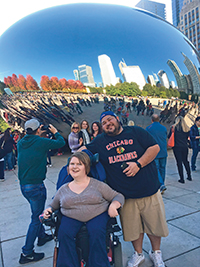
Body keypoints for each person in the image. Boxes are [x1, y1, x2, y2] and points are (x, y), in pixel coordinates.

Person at [79, 111, 169, 267]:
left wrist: (138, 164)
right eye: (104, 123)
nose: (107, 124)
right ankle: (138, 254)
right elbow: (83, 150)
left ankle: (156, 253)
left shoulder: (135, 132)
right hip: (124, 195)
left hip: (149, 190)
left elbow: (154, 148)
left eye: (109, 120)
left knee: (154, 226)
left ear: (117, 119)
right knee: (133, 228)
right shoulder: (100, 140)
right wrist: (74, 162)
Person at [43, 151, 124, 267]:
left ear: (86, 167)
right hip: (71, 216)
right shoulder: (63, 189)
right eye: (72, 164)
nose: (75, 167)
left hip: (97, 214)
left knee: (97, 232)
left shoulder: (97, 185)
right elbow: (53, 205)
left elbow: (118, 196)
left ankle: (98, 264)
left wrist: (113, 205)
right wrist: (48, 210)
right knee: (64, 234)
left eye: (79, 164)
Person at [18, 119, 65, 264]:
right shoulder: (41, 142)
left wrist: (40, 133)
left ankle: (42, 236)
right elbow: (61, 143)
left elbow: (33, 145)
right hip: (36, 185)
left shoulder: (20, 143)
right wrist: (54, 132)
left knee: (35, 213)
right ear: (38, 129)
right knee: (36, 219)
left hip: (24, 185)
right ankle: (27, 253)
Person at [146, 114, 168, 194]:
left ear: (152, 120)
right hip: (163, 151)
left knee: (156, 169)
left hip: (154, 152)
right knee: (163, 168)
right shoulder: (164, 128)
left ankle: (161, 184)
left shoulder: (148, 128)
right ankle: (162, 184)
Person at [168, 116, 192, 183]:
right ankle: (189, 176)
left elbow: (169, 136)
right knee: (185, 161)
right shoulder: (186, 128)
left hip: (176, 147)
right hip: (184, 147)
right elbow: (187, 137)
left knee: (179, 162)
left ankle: (182, 178)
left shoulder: (173, 128)